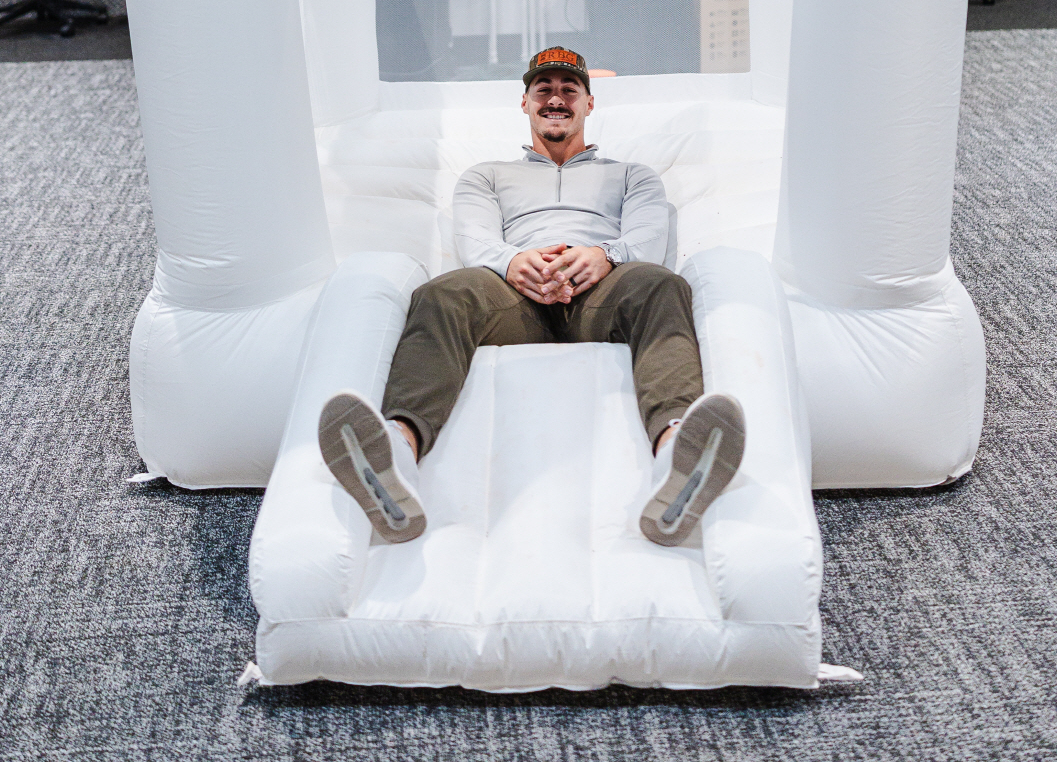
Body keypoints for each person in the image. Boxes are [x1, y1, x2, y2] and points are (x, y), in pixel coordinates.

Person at [318, 46, 746, 548]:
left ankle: (678, 454)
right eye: (544, 89)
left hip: (602, 291)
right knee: (442, 293)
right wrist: (514, 263)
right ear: (525, 103)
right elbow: (475, 239)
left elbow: (648, 238)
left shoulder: (632, 175)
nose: (556, 99)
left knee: (661, 284)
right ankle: (395, 454)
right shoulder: (486, 175)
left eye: (569, 90)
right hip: (513, 294)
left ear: (589, 103)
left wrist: (603, 255)